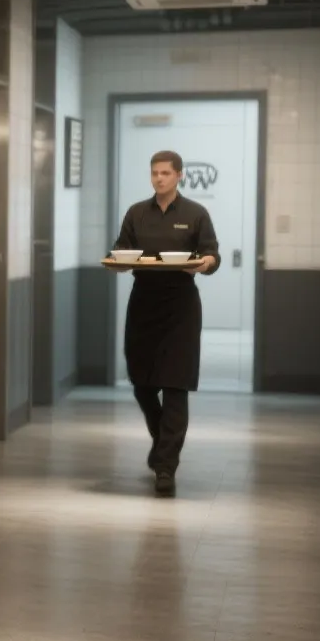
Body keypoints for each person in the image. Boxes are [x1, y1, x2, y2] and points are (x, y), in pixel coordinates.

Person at [109, 150, 221, 497]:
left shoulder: (195, 214)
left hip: (181, 306)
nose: (159, 178)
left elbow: (212, 254)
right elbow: (119, 250)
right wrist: (120, 262)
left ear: (179, 176)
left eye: (166, 173)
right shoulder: (136, 213)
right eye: (154, 173)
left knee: (174, 385)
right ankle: (162, 444)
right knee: (142, 383)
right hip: (143, 302)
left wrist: (204, 264)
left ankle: (166, 467)